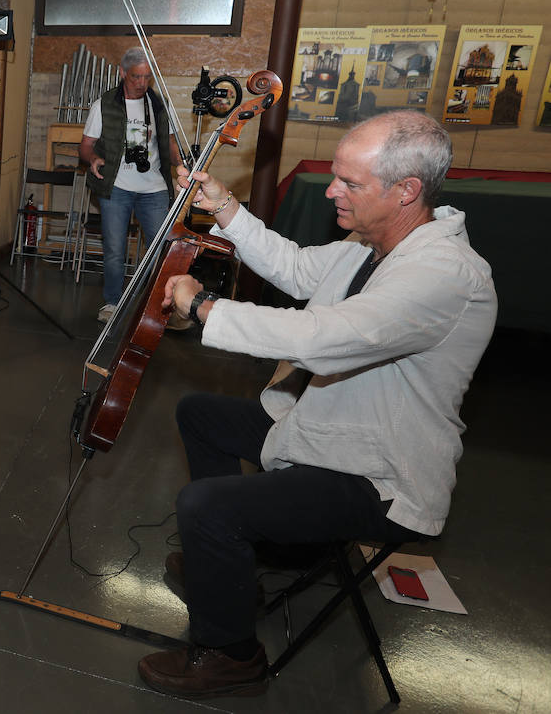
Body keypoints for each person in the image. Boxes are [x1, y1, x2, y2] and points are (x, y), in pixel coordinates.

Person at [137, 111, 497, 699]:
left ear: (406, 191)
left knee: (206, 506)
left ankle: (231, 655)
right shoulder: (372, 246)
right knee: (200, 414)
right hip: (327, 430)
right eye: (336, 177)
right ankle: (231, 575)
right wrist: (224, 206)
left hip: (376, 473)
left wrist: (204, 308)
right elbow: (296, 267)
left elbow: (325, 341)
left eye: (349, 183)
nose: (331, 190)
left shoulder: (445, 275)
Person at [79, 47, 184, 323]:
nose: (141, 83)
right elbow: (86, 146)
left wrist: (180, 163)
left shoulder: (160, 104)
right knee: (115, 249)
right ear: (123, 73)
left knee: (162, 249)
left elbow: (170, 143)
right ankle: (113, 302)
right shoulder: (103, 104)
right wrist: (93, 159)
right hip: (117, 187)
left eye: (147, 77)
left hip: (154, 188)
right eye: (136, 77)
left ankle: (160, 305)